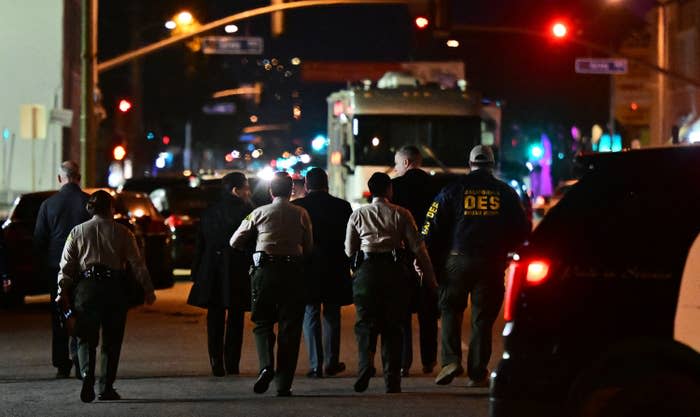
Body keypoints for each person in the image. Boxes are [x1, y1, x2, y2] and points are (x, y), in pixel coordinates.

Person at [422, 145, 530, 387]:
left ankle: (450, 360)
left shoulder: (452, 189)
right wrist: (507, 251)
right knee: (483, 318)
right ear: (491, 165)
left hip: (457, 259)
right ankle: (477, 372)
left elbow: (431, 225)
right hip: (492, 262)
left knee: (450, 309)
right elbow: (523, 229)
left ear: (470, 163)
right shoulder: (506, 192)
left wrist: (429, 255)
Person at [55, 190, 156, 402]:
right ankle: (106, 387)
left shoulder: (77, 232)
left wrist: (61, 291)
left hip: (86, 287)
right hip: (114, 287)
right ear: (111, 208)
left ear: (90, 209)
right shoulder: (123, 232)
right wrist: (148, 289)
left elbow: (66, 266)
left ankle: (86, 377)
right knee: (112, 339)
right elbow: (138, 264)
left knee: (85, 337)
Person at [345, 172, 438, 394]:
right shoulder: (401, 213)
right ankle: (391, 380)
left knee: (365, 324)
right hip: (395, 272)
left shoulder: (358, 215)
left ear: (370, 191)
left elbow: (350, 249)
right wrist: (430, 278)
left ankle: (366, 366)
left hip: (366, 271)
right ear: (389, 190)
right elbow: (418, 248)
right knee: (393, 327)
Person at [229, 172, 313, 397]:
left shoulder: (258, 212)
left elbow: (235, 240)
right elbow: (309, 246)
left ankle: (266, 365)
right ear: (291, 191)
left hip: (264, 270)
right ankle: (284, 384)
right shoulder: (301, 213)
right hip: (293, 271)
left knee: (263, 322)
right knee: (290, 327)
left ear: (270, 192)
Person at [187, 172, 254, 376]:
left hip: (212, 268)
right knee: (236, 317)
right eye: (246, 188)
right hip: (237, 268)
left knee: (214, 316)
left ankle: (216, 363)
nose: (248, 192)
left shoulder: (209, 211)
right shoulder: (247, 211)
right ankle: (232, 363)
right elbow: (252, 242)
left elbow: (201, 243)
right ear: (236, 190)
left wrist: (196, 271)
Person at [292, 167, 353, 378]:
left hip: (307, 266)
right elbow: (350, 238)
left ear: (307, 186)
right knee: (332, 314)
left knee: (310, 313)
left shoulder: (298, 207)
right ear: (327, 185)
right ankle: (331, 362)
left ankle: (315, 365)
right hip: (335, 265)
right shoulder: (343, 206)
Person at [34, 161, 90, 379]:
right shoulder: (88, 203)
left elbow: (39, 240)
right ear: (79, 177)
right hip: (83, 268)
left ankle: (61, 363)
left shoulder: (48, 205)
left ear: (60, 178)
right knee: (82, 312)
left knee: (59, 314)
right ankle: (81, 359)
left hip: (56, 268)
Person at [391, 145, 440, 376]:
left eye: (397, 164)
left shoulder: (396, 187)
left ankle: (403, 363)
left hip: (402, 256)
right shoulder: (436, 185)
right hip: (431, 254)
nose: (396, 168)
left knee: (401, 310)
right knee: (428, 311)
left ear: (407, 162)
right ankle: (429, 361)